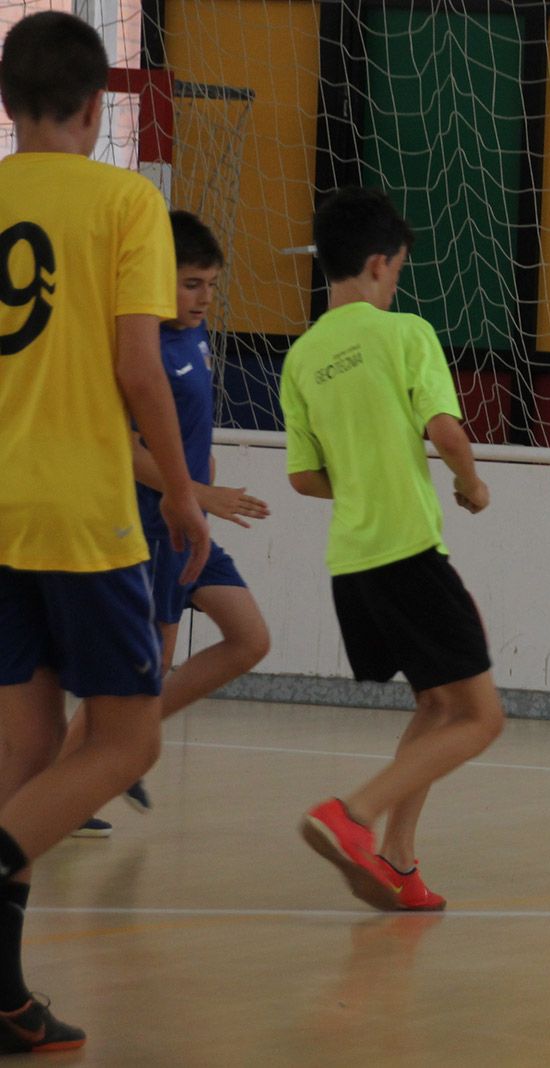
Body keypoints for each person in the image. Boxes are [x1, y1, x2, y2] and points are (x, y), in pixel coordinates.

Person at [0, 11, 211, 1052]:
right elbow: (138, 364)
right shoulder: (125, 200)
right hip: (80, 512)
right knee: (128, 736)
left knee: (28, 752)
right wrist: (180, 488)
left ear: (5, 103)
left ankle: (0, 996)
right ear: (96, 106)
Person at [282, 186, 503, 912]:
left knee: (438, 707)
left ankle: (400, 860)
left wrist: (364, 465)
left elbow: (306, 477)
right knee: (480, 718)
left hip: (353, 565)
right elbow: (445, 431)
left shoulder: (303, 357)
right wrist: (471, 485)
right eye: (399, 270)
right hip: (409, 552)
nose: (398, 282)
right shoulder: (405, 333)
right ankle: (352, 815)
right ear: (379, 265)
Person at [64, 210, 272, 838]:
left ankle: (127, 746)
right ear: (155, 281)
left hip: (189, 521)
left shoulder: (197, 339)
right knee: (137, 676)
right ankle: (69, 787)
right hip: (150, 523)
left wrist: (200, 491)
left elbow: (189, 434)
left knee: (248, 639)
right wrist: (199, 493)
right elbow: (125, 448)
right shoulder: (137, 347)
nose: (204, 297)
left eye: (210, 283)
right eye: (190, 284)